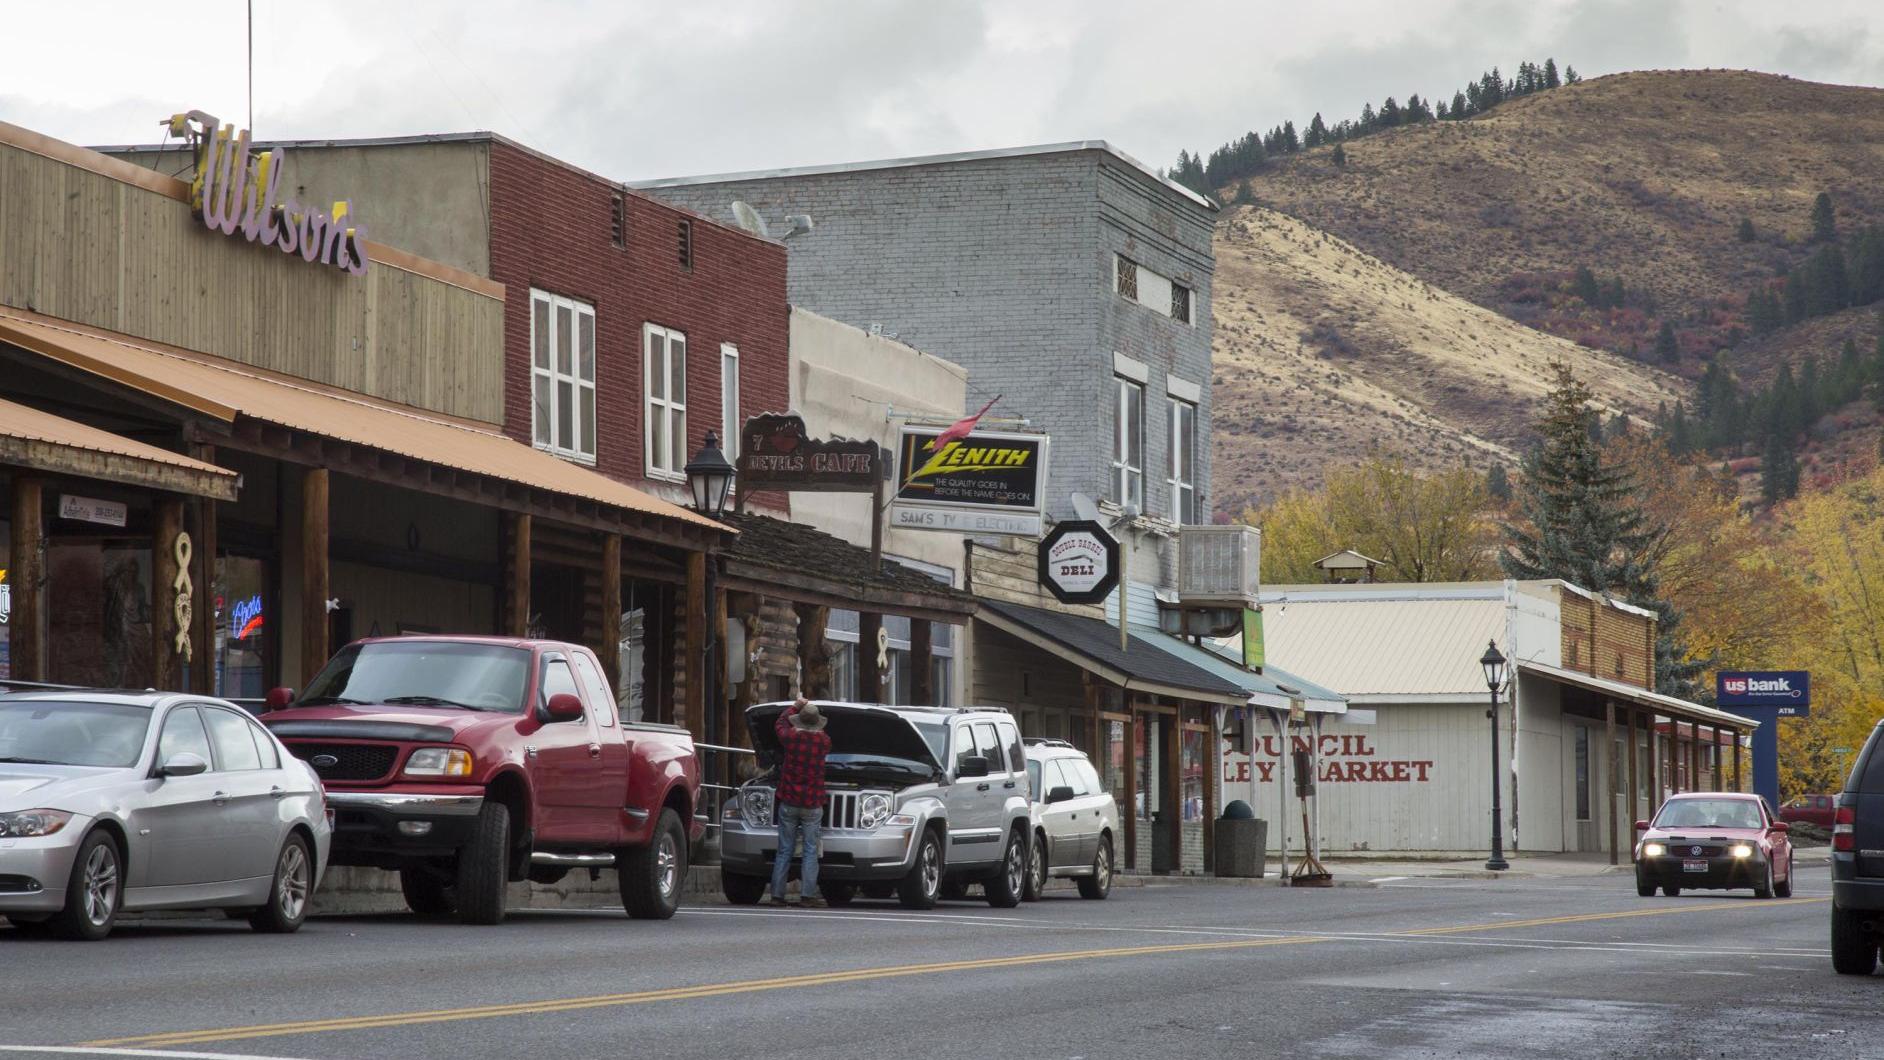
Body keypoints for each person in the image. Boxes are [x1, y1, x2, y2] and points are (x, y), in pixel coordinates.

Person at [771, 698, 831, 907]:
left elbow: (780, 723)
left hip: (789, 800)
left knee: (785, 849)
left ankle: (777, 895)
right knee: (810, 849)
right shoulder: (824, 742)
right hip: (813, 803)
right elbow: (822, 737)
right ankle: (807, 895)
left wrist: (795, 706)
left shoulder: (790, 739)